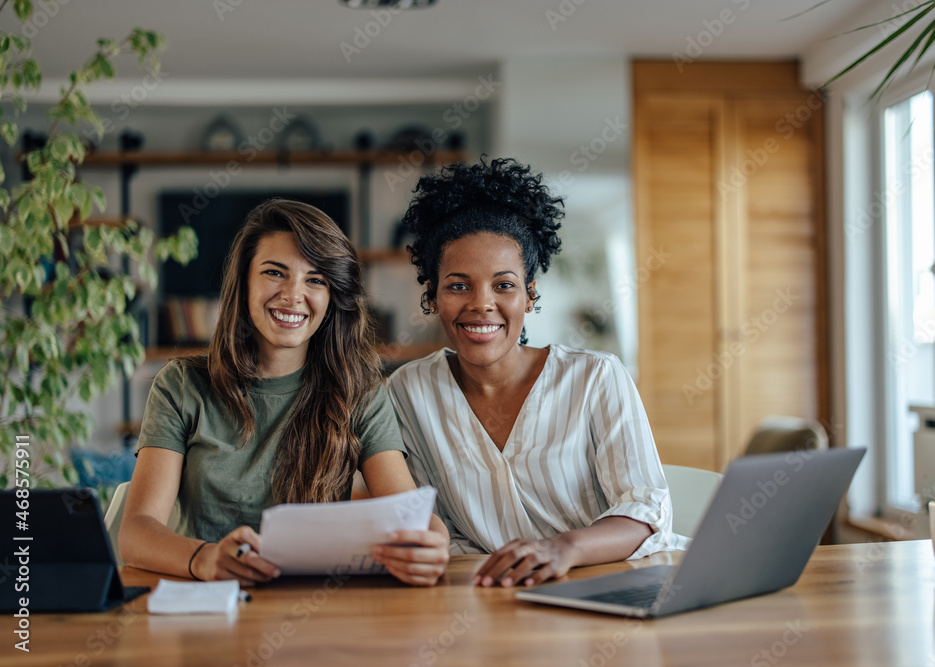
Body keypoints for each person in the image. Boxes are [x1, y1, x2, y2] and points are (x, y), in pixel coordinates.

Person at [386, 158, 687, 588]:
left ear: (529, 296)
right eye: (458, 285)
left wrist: (564, 548)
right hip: (495, 598)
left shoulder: (596, 377)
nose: (481, 303)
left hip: (616, 587)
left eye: (503, 285)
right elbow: (430, 526)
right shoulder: (407, 393)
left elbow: (647, 510)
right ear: (432, 296)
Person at [120, 199, 449, 587]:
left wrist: (435, 541)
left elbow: (407, 512)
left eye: (315, 279)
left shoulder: (358, 391)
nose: (294, 295)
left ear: (331, 297)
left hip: (313, 611)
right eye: (275, 273)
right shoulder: (181, 385)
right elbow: (137, 531)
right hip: (210, 601)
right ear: (243, 282)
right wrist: (205, 559)